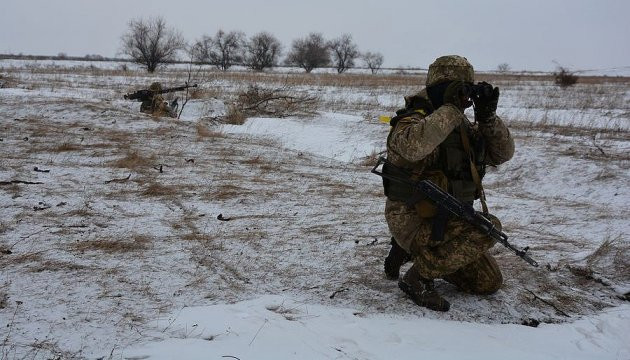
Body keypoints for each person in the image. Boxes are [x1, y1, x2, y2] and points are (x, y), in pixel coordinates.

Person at [381, 55, 515, 311]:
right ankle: (417, 277)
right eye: (458, 89)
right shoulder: (413, 119)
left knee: (488, 282)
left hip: (449, 218)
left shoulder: (460, 126)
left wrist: (488, 118)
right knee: (488, 228)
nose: (464, 99)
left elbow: (502, 154)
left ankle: (411, 254)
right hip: (412, 218)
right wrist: (450, 109)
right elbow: (410, 147)